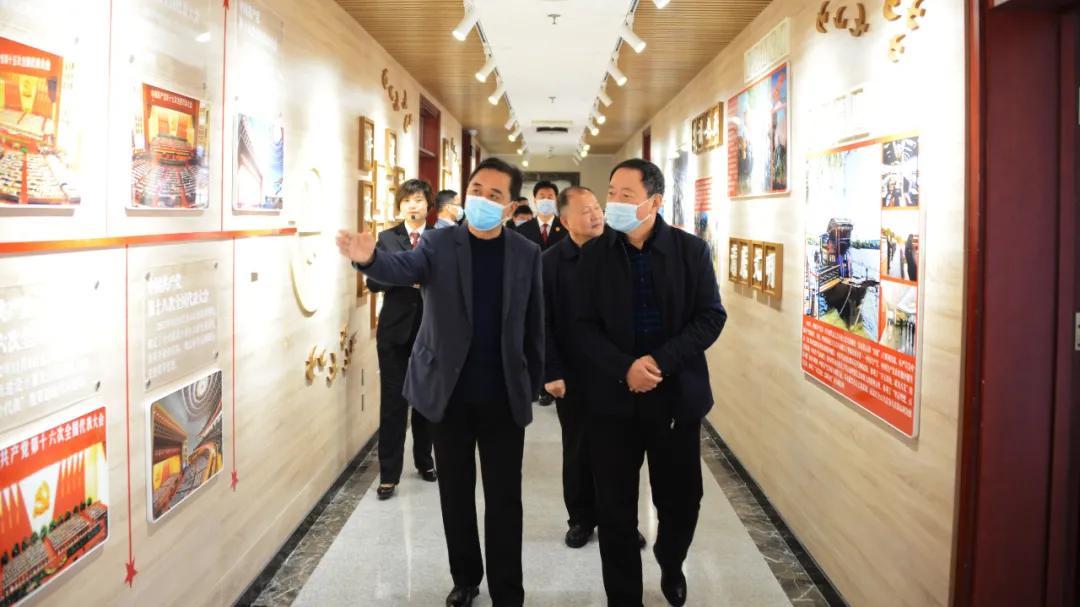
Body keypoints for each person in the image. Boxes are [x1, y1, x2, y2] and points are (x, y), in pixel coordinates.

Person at [336, 157, 543, 607]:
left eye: (494, 195)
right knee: (455, 493)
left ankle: (508, 590)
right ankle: (465, 579)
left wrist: (533, 384)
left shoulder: (526, 252)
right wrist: (368, 258)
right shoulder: (438, 242)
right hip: (448, 395)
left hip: (503, 397)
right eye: (476, 189)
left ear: (510, 207)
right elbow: (401, 269)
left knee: (505, 499)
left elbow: (535, 323)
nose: (482, 199)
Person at [577, 158, 727, 607]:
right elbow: (581, 326)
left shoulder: (690, 251)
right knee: (614, 508)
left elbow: (710, 317)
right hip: (612, 401)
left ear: (654, 201)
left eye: (626, 195)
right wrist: (625, 367)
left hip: (675, 398)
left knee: (682, 501)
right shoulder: (594, 255)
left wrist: (658, 361)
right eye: (612, 193)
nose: (614, 203)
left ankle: (670, 558)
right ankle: (624, 597)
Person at [541, 186, 649, 554]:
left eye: (597, 207)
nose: (596, 215)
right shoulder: (551, 262)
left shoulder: (622, 251)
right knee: (578, 450)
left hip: (618, 371)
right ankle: (581, 519)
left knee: (622, 453)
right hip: (574, 374)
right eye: (585, 210)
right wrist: (551, 371)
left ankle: (622, 522)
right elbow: (543, 321)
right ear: (565, 220)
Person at [367, 179, 438, 500]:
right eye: (407, 200)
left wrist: (407, 274)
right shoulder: (386, 238)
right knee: (393, 403)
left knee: (425, 400)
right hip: (394, 332)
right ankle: (388, 474)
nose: (413, 205)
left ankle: (425, 461)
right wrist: (406, 277)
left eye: (419, 200)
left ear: (428, 205)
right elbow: (374, 282)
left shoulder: (439, 238)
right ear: (399, 206)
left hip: (431, 331)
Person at [516, 181, 567, 251]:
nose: (546, 200)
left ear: (556, 201)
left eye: (550, 197)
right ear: (535, 200)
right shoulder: (522, 229)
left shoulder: (566, 227)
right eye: (542, 197)